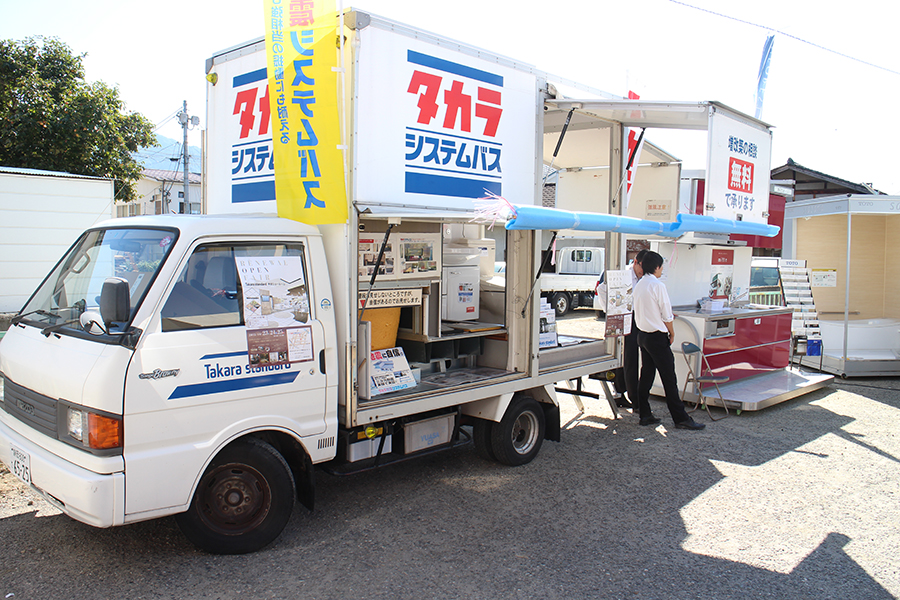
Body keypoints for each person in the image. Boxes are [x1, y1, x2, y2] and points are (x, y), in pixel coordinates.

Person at [632, 251, 705, 430]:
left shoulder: (640, 284)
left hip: (642, 335)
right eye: (661, 266)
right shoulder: (658, 285)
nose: (662, 269)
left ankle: (645, 413)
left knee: (647, 375)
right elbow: (666, 314)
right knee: (669, 378)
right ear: (656, 267)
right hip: (657, 336)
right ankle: (680, 418)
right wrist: (672, 333)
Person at [595, 249, 648, 410]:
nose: (643, 271)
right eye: (642, 267)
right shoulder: (623, 275)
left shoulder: (644, 278)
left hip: (639, 319)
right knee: (627, 358)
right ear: (635, 262)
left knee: (631, 359)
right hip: (624, 319)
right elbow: (602, 290)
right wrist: (611, 311)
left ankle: (628, 394)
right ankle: (630, 396)